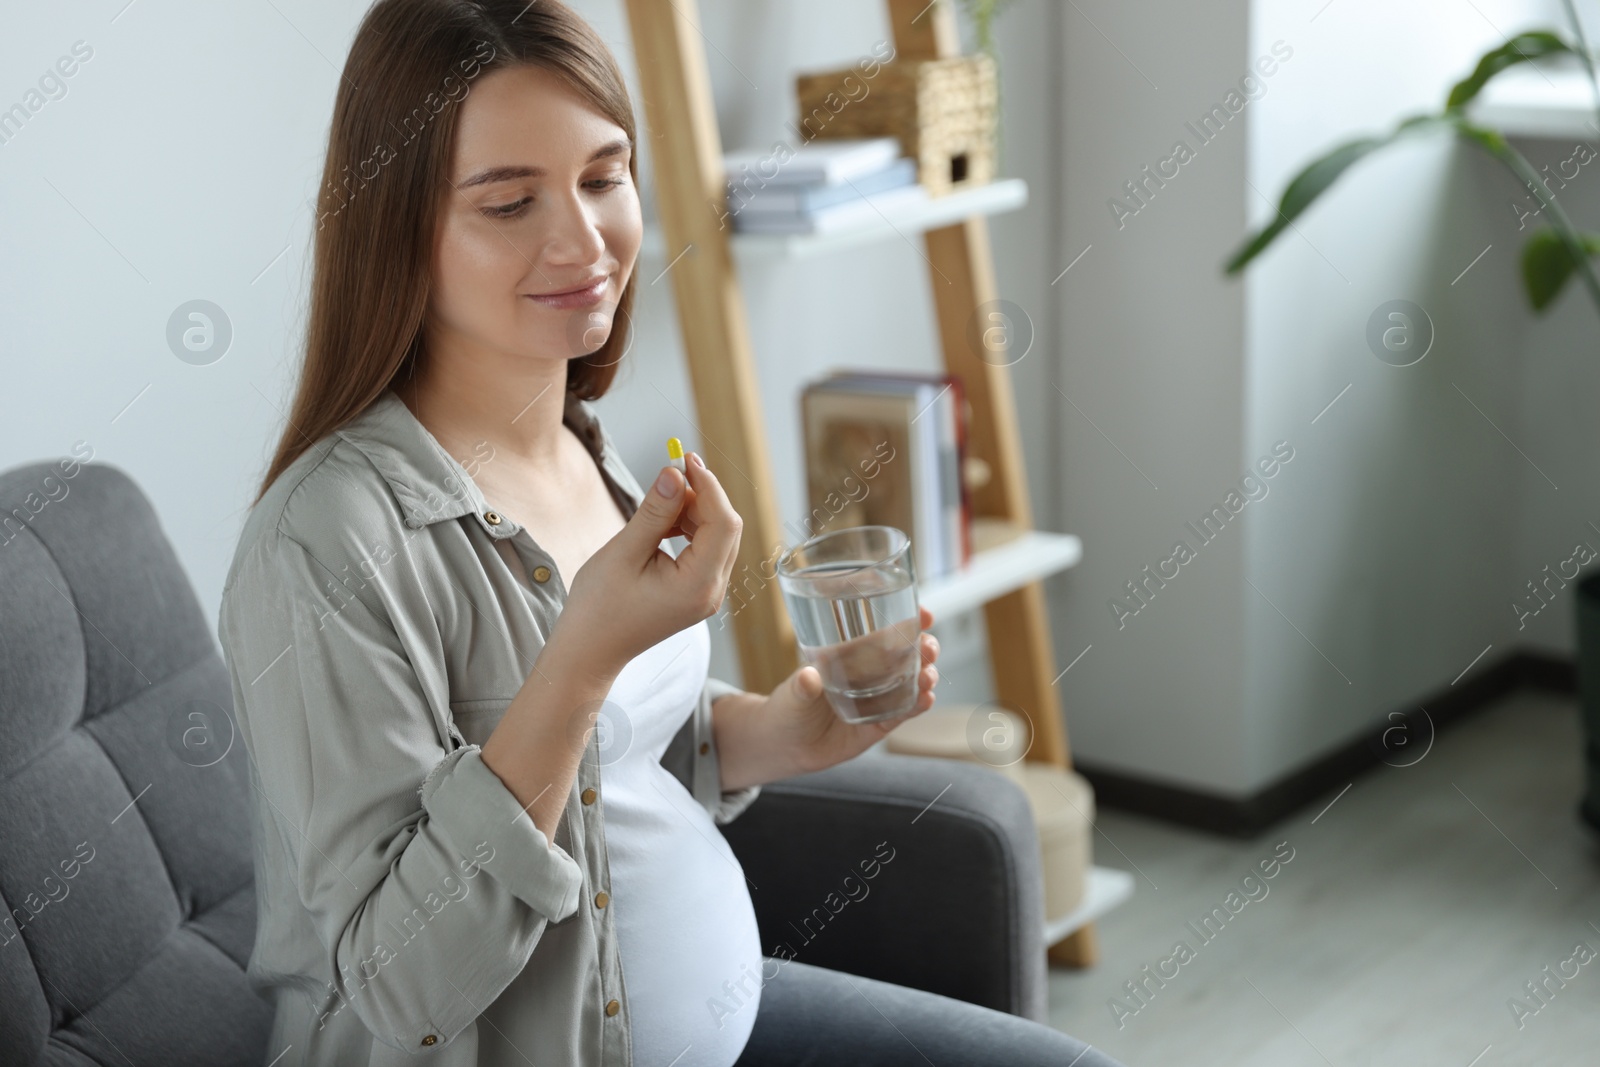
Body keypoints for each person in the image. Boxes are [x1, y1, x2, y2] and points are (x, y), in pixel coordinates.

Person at [218, 2, 1122, 1065]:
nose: (584, 239)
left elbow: (615, 761)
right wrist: (581, 656)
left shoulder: (574, 441)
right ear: (398, 227)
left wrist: (784, 730)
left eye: (604, 177)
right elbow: (402, 978)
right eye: (509, 201)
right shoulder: (324, 546)